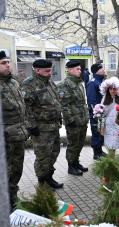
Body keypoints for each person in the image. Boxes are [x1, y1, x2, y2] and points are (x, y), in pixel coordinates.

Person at [21, 59, 63, 190]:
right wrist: (31, 126)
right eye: (47, 71)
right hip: (41, 129)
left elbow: (55, 102)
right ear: (37, 70)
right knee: (42, 157)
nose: (50, 73)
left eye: (50, 70)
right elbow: (25, 107)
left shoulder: (50, 83)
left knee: (54, 153)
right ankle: (42, 183)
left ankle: (49, 178)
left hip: (54, 127)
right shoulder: (29, 84)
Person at [0, 51, 29, 210]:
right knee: (5, 170)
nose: (7, 65)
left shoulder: (13, 83)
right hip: (5, 136)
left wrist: (26, 127)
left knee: (17, 168)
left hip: (18, 134)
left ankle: (13, 196)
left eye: (8, 62)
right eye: (3, 63)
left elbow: (22, 108)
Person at [57, 60, 89, 176]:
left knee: (80, 143)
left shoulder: (79, 83)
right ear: (70, 70)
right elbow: (63, 105)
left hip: (82, 120)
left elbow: (81, 103)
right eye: (78, 69)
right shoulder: (64, 84)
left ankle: (76, 162)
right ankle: (71, 166)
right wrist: (70, 120)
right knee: (73, 144)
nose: (80, 71)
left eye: (80, 69)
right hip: (73, 121)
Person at [99, 77, 119, 158]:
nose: (112, 91)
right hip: (108, 130)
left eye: (114, 89)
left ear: (118, 89)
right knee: (111, 151)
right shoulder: (104, 100)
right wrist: (100, 125)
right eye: (110, 89)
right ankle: (112, 169)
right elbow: (101, 115)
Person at [86, 63, 106, 160]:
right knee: (96, 132)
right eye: (101, 68)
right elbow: (91, 101)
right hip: (96, 114)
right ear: (96, 70)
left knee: (101, 132)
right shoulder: (92, 83)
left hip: (102, 113)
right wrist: (97, 114)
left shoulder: (100, 81)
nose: (103, 69)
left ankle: (100, 151)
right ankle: (96, 153)